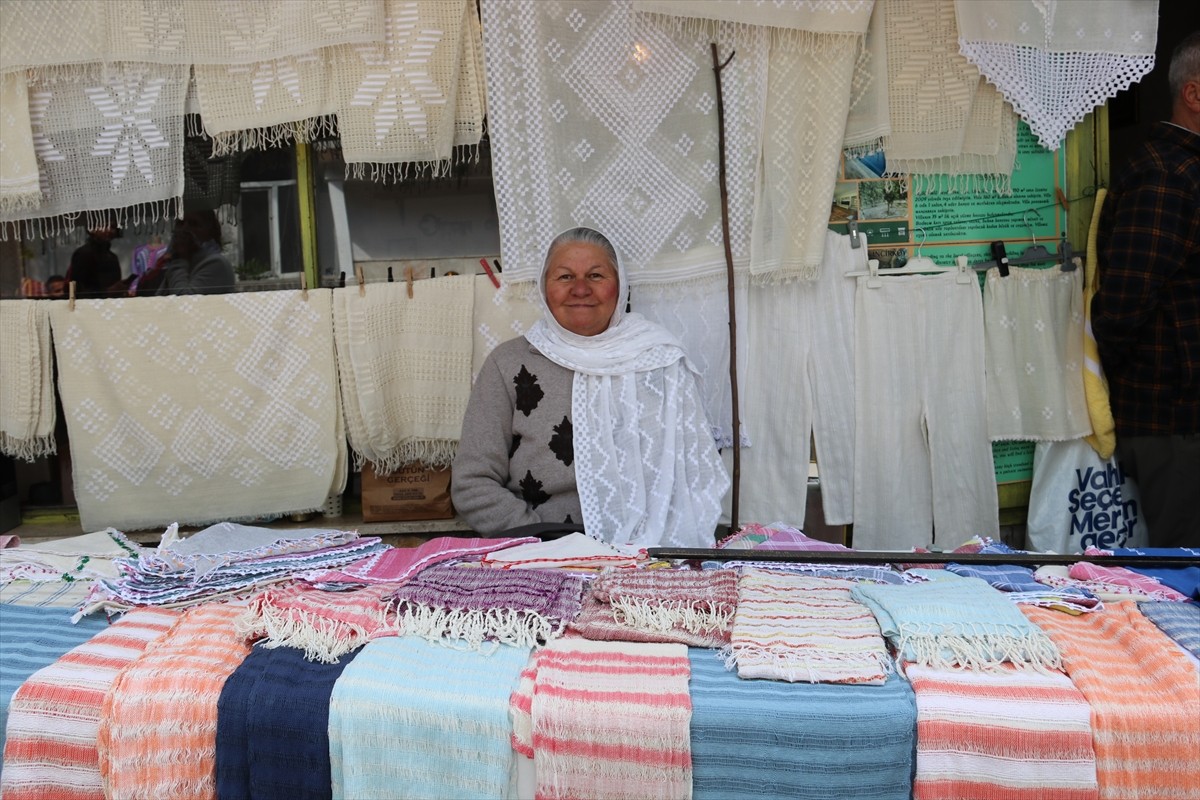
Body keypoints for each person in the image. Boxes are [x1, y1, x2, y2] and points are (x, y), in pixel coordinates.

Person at [452, 226, 729, 548]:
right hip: (539, 552)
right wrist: (544, 542)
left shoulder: (661, 363)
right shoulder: (510, 363)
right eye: (565, 277)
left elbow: (695, 477)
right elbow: (473, 483)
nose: (580, 289)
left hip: (650, 552)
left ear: (620, 286)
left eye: (596, 276)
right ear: (544, 288)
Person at [1092, 30, 1200, 548]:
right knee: (1182, 575)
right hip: (1173, 423)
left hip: (1182, 423)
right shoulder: (1165, 176)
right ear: (1194, 94)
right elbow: (1121, 307)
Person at [157, 209, 235, 295]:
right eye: (180, 223)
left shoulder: (216, 263)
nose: (184, 229)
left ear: (209, 232)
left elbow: (183, 299)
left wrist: (180, 257)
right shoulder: (181, 262)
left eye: (193, 224)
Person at [66, 222, 122, 298]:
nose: (110, 230)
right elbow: (78, 289)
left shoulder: (112, 257)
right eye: (104, 226)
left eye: (112, 227)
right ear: (92, 229)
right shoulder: (83, 254)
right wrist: (107, 292)